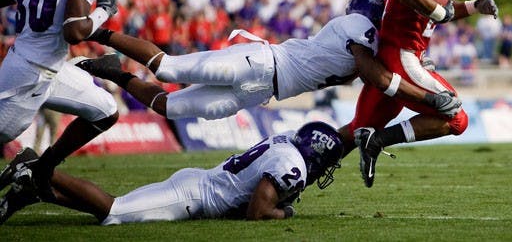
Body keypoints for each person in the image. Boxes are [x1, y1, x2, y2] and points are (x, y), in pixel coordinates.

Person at [75, 0, 460, 123]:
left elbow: (380, 74)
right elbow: (375, 78)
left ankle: (116, 74)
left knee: (167, 107)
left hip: (259, 92)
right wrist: (427, 97)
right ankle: (99, 30)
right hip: (261, 62)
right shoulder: (357, 24)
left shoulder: (370, 42)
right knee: (169, 67)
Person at [337, 0, 500, 188]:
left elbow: (441, 7)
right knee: (456, 119)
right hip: (403, 56)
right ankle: (377, 142)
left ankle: (301, 165)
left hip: (395, 55)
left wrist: (473, 7)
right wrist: (438, 12)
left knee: (354, 130)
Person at [0, 121, 343, 224]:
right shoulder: (293, 166)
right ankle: (36, 165)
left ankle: (33, 189)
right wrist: (284, 212)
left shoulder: (285, 144)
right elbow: (257, 212)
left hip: (198, 183)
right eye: (326, 162)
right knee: (114, 211)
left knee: (109, 212)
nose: (324, 170)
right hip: (195, 198)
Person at [0, 0, 119, 200]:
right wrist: (104, 11)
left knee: (105, 110)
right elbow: (74, 32)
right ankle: (25, 170)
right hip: (29, 76)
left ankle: (41, 168)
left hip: (45, 66)